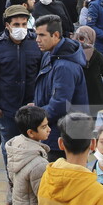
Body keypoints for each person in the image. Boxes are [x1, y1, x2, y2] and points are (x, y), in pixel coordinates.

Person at [0, 5, 43, 173]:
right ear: (7, 26)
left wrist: (39, 102)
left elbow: (41, 73)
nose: (21, 29)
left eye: (24, 24)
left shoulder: (35, 44)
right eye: (16, 25)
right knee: (9, 147)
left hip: (32, 106)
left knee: (33, 146)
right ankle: (13, 181)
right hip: (6, 108)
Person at [34, 15, 89, 162]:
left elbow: (59, 105)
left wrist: (35, 116)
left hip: (61, 137)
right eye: (36, 35)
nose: (37, 40)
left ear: (56, 35)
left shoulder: (64, 66)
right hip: (52, 131)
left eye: (42, 35)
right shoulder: (50, 55)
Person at [6, 105, 51, 205]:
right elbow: (43, 197)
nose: (49, 129)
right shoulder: (38, 164)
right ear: (31, 133)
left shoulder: (17, 144)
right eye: (44, 127)